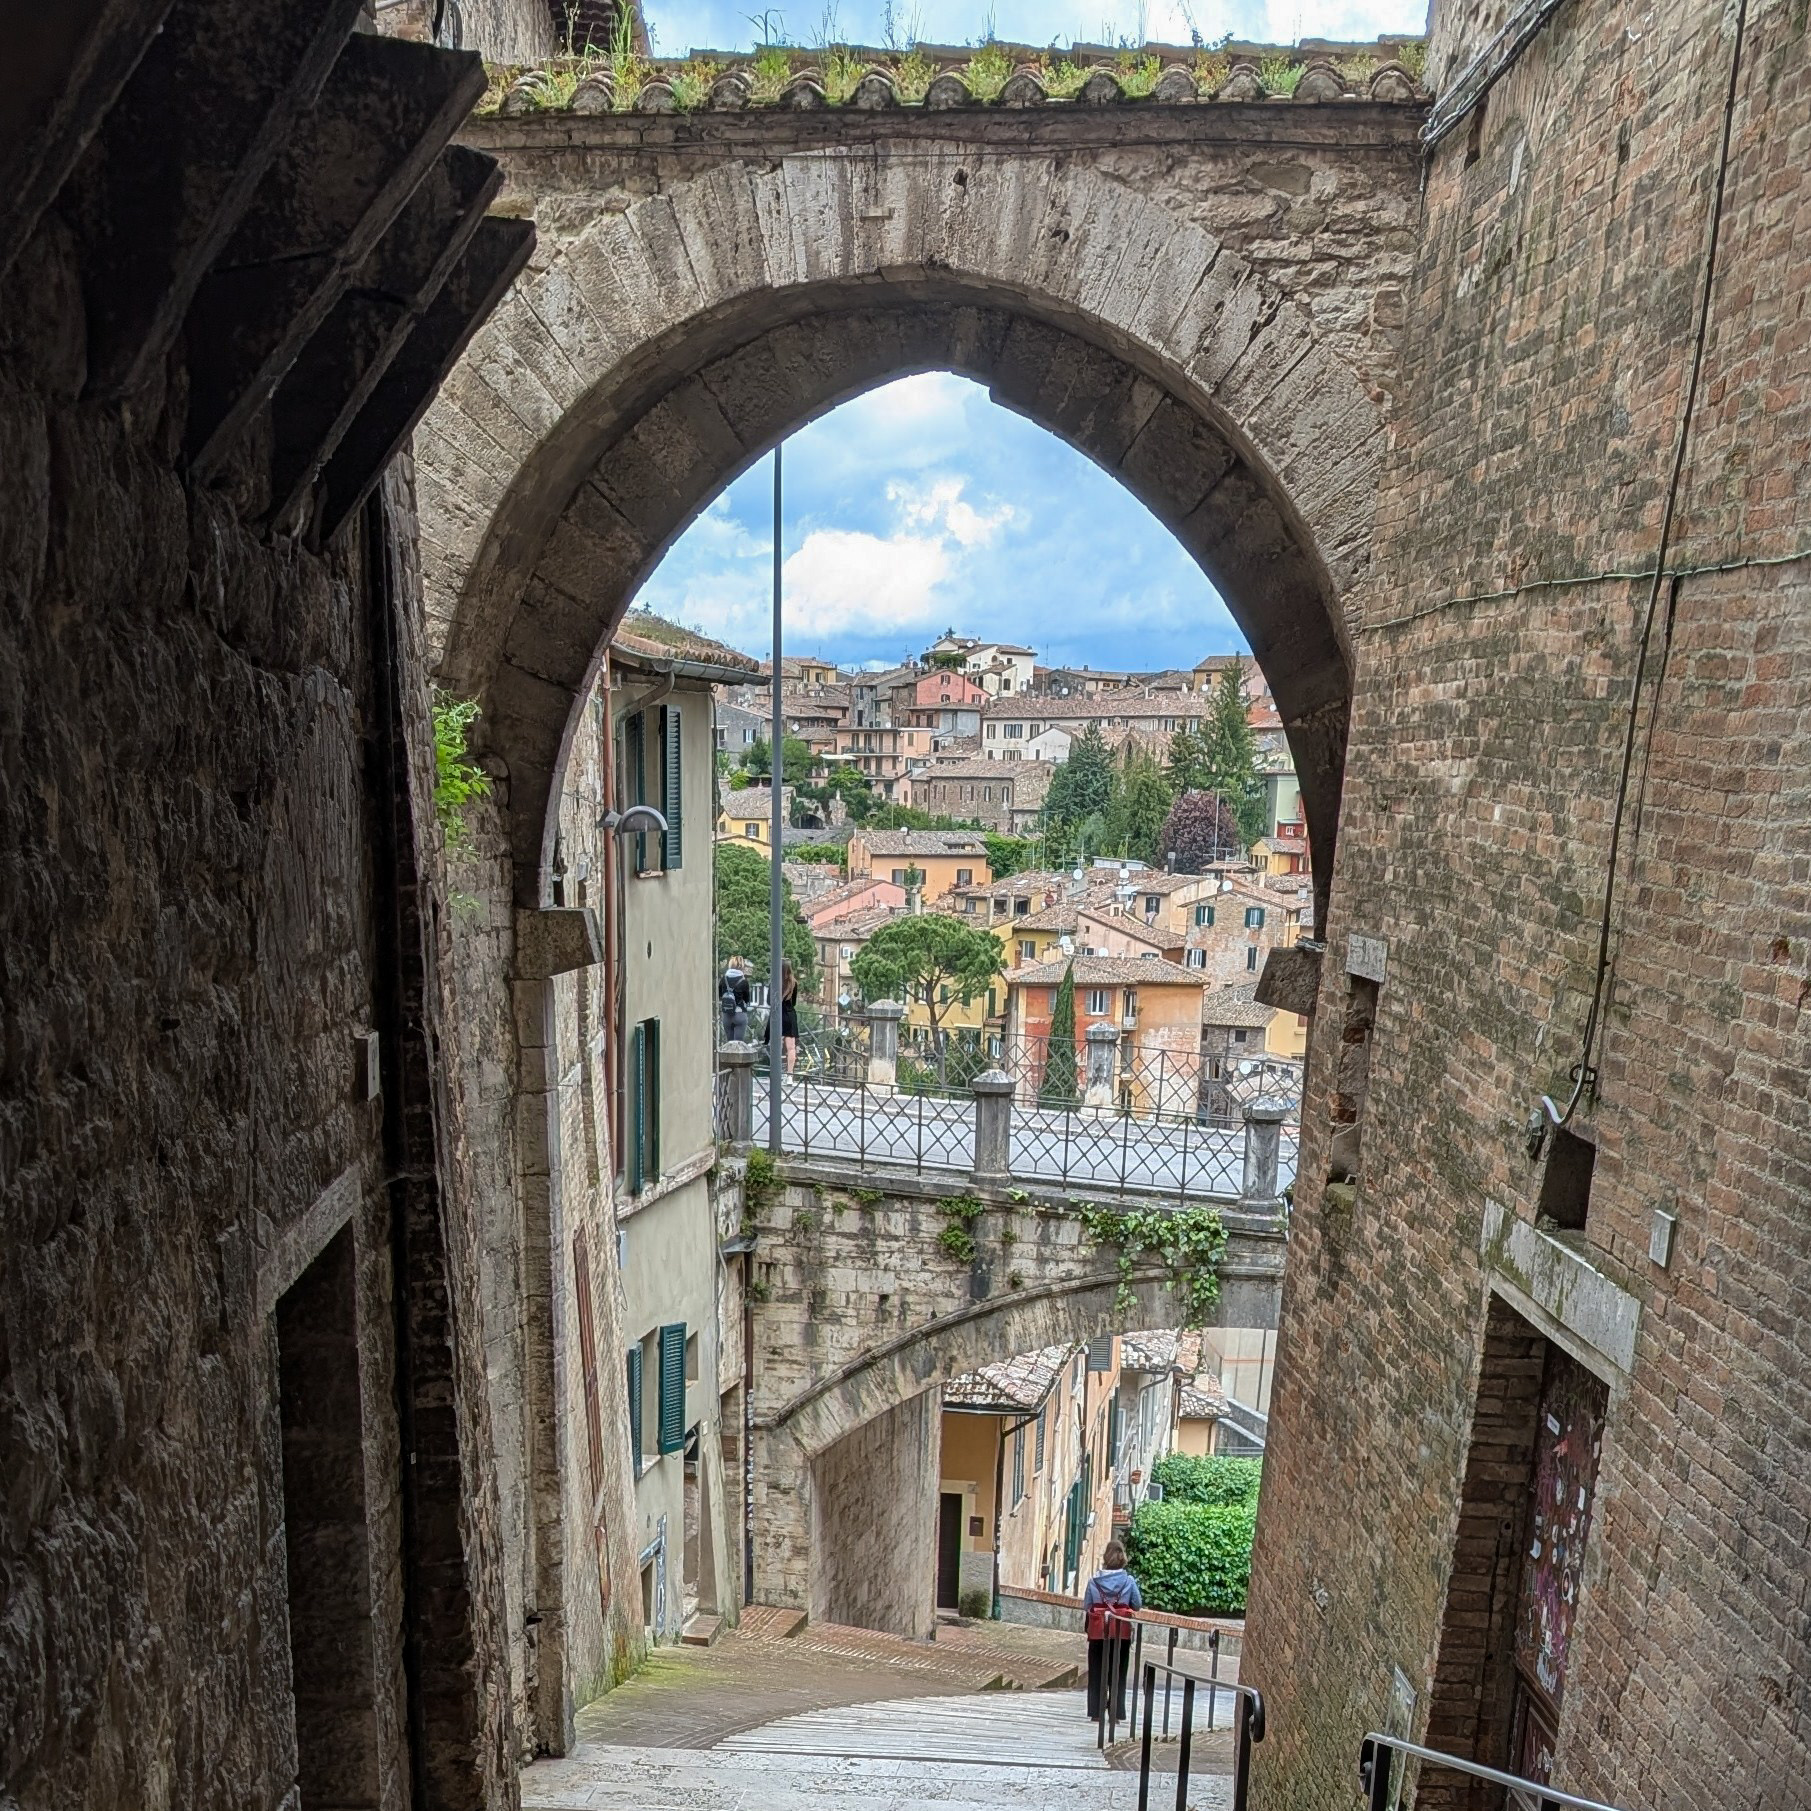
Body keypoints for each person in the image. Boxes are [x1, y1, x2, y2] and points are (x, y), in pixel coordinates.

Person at [1083, 1540, 1142, 1724]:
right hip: (1120, 1632)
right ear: (1122, 1558)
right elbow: (1137, 1605)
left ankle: (1096, 1711)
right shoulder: (1128, 1581)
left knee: (1096, 1670)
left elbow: (1087, 1605)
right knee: (1118, 1671)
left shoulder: (1093, 1581)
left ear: (1106, 1558)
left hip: (1098, 1632)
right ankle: (1116, 1712)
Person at [720, 954, 750, 1043]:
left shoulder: (723, 979)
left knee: (729, 1044)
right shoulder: (744, 981)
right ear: (741, 966)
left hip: (727, 1015)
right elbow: (747, 999)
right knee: (738, 1045)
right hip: (739, 1014)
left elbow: (720, 995)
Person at [779, 957, 800, 1074]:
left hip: (778, 1015)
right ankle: (790, 1074)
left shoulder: (775, 981)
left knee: (776, 1045)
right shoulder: (794, 983)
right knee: (791, 1048)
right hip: (790, 1015)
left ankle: (775, 1072)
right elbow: (794, 1002)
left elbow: (768, 1001)